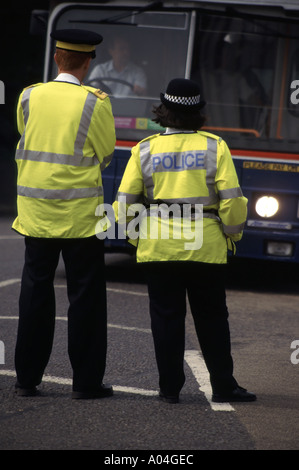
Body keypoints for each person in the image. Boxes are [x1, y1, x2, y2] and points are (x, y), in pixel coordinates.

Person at [112, 78, 256, 404]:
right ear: (198, 113)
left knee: (166, 318)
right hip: (205, 247)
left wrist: (137, 237)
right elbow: (232, 200)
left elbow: (123, 204)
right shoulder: (214, 147)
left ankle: (169, 389)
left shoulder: (144, 148)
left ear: (163, 110)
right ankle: (223, 386)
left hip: (159, 248)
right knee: (212, 318)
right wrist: (232, 234)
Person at [13, 29, 116, 399]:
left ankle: (26, 379)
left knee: (35, 293)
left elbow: (26, 136)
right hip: (80, 217)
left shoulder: (28, 96)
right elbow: (105, 154)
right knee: (85, 298)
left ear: (57, 58)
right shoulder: (96, 102)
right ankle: (86, 384)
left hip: (35, 213)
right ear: (88, 62)